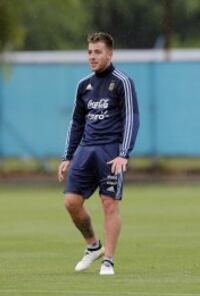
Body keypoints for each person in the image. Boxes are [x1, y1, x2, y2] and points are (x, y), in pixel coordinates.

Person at [58, 32, 140, 275]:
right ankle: (93, 246)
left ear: (110, 54)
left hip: (111, 150)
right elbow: (76, 123)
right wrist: (67, 156)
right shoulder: (84, 85)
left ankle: (109, 260)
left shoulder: (122, 81)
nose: (92, 57)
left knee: (109, 203)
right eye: (90, 52)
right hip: (86, 149)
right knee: (71, 202)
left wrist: (124, 153)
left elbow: (132, 118)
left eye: (98, 52)